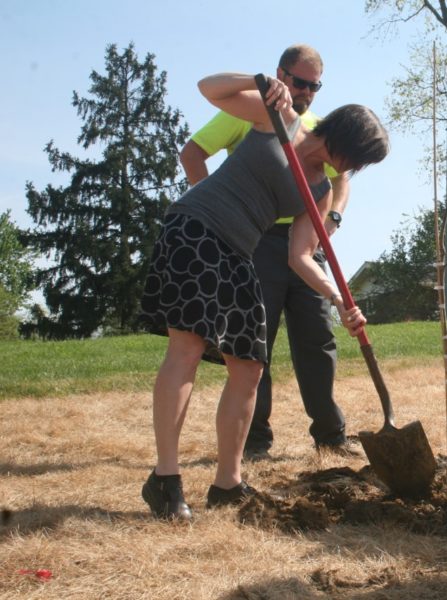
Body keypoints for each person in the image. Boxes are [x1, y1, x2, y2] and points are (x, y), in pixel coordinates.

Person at [139, 71, 389, 520]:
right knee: (188, 347)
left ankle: (227, 484)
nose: (352, 168)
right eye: (356, 157)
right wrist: (256, 78)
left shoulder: (321, 189)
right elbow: (207, 89)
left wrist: (339, 300)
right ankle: (165, 480)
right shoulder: (279, 117)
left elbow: (301, 257)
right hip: (196, 229)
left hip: (240, 252)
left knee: (250, 367)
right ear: (343, 135)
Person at [179, 44, 356, 460]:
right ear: (281, 74)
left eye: (315, 86)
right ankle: (254, 441)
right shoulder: (255, 111)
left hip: (303, 243)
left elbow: (341, 180)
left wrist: (334, 219)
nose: (308, 93)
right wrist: (218, 212)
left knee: (318, 336)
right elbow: (192, 154)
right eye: (300, 82)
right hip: (254, 241)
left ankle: (331, 436)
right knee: (254, 343)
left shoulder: (316, 128)